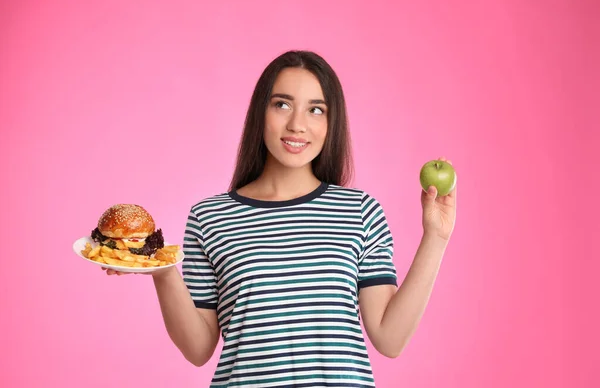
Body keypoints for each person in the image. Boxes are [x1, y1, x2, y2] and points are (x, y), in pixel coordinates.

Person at [104, 50, 457, 387]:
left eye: (316, 110)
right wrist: (163, 272)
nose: (297, 124)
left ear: (332, 123)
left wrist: (435, 238)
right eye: (282, 104)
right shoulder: (209, 217)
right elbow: (198, 350)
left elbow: (390, 338)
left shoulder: (359, 211)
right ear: (261, 112)